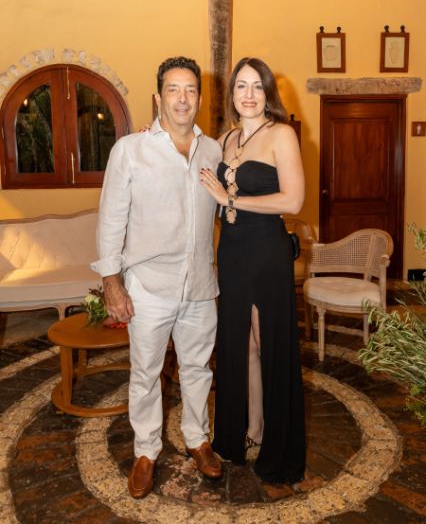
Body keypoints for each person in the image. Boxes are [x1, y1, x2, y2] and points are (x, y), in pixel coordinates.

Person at [92, 56, 223, 500]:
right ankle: (146, 451)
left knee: (198, 369)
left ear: (199, 98)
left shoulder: (214, 151)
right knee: (146, 372)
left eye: (190, 90)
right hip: (149, 286)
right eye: (173, 89)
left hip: (200, 285)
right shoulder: (130, 150)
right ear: (158, 97)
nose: (182, 98)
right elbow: (111, 220)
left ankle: (197, 440)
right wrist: (111, 282)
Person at [200, 57, 306, 484]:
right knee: (240, 345)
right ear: (232, 94)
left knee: (267, 342)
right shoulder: (224, 139)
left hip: (266, 251)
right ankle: (248, 430)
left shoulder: (282, 134)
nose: (249, 94)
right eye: (241, 86)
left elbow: (293, 201)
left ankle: (278, 447)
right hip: (232, 251)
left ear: (268, 93)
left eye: (257, 86)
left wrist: (230, 199)